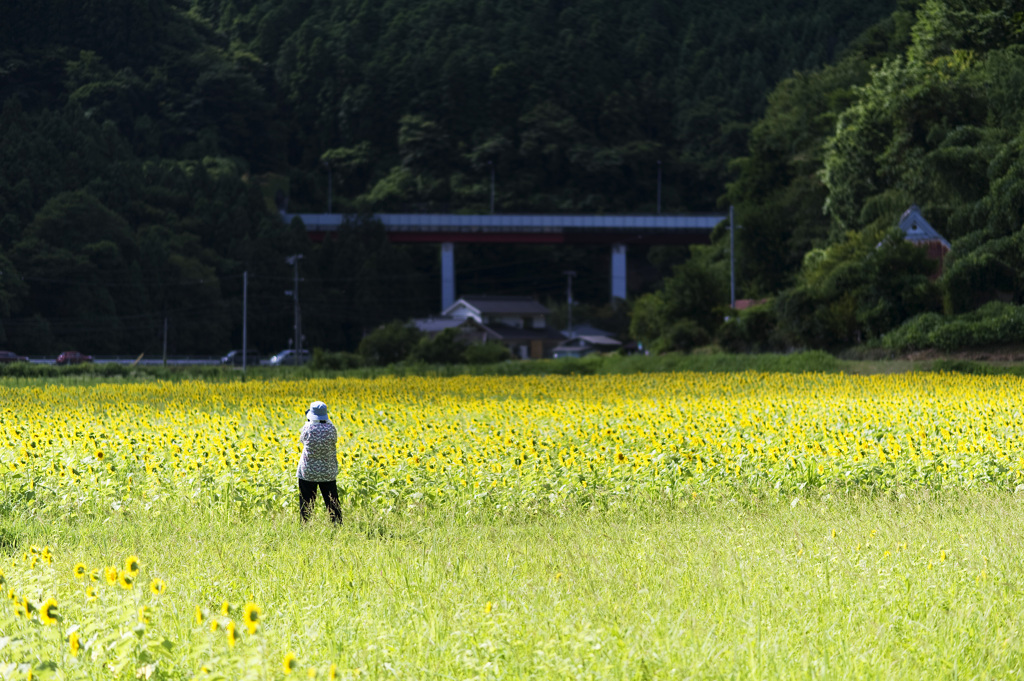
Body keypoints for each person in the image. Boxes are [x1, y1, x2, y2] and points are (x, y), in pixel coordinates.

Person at [296, 400, 342, 523]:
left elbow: (302, 441)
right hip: (328, 471)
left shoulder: (308, 428)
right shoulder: (332, 428)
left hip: (308, 471)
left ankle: (305, 525)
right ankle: (337, 525)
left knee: (306, 502)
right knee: (332, 502)